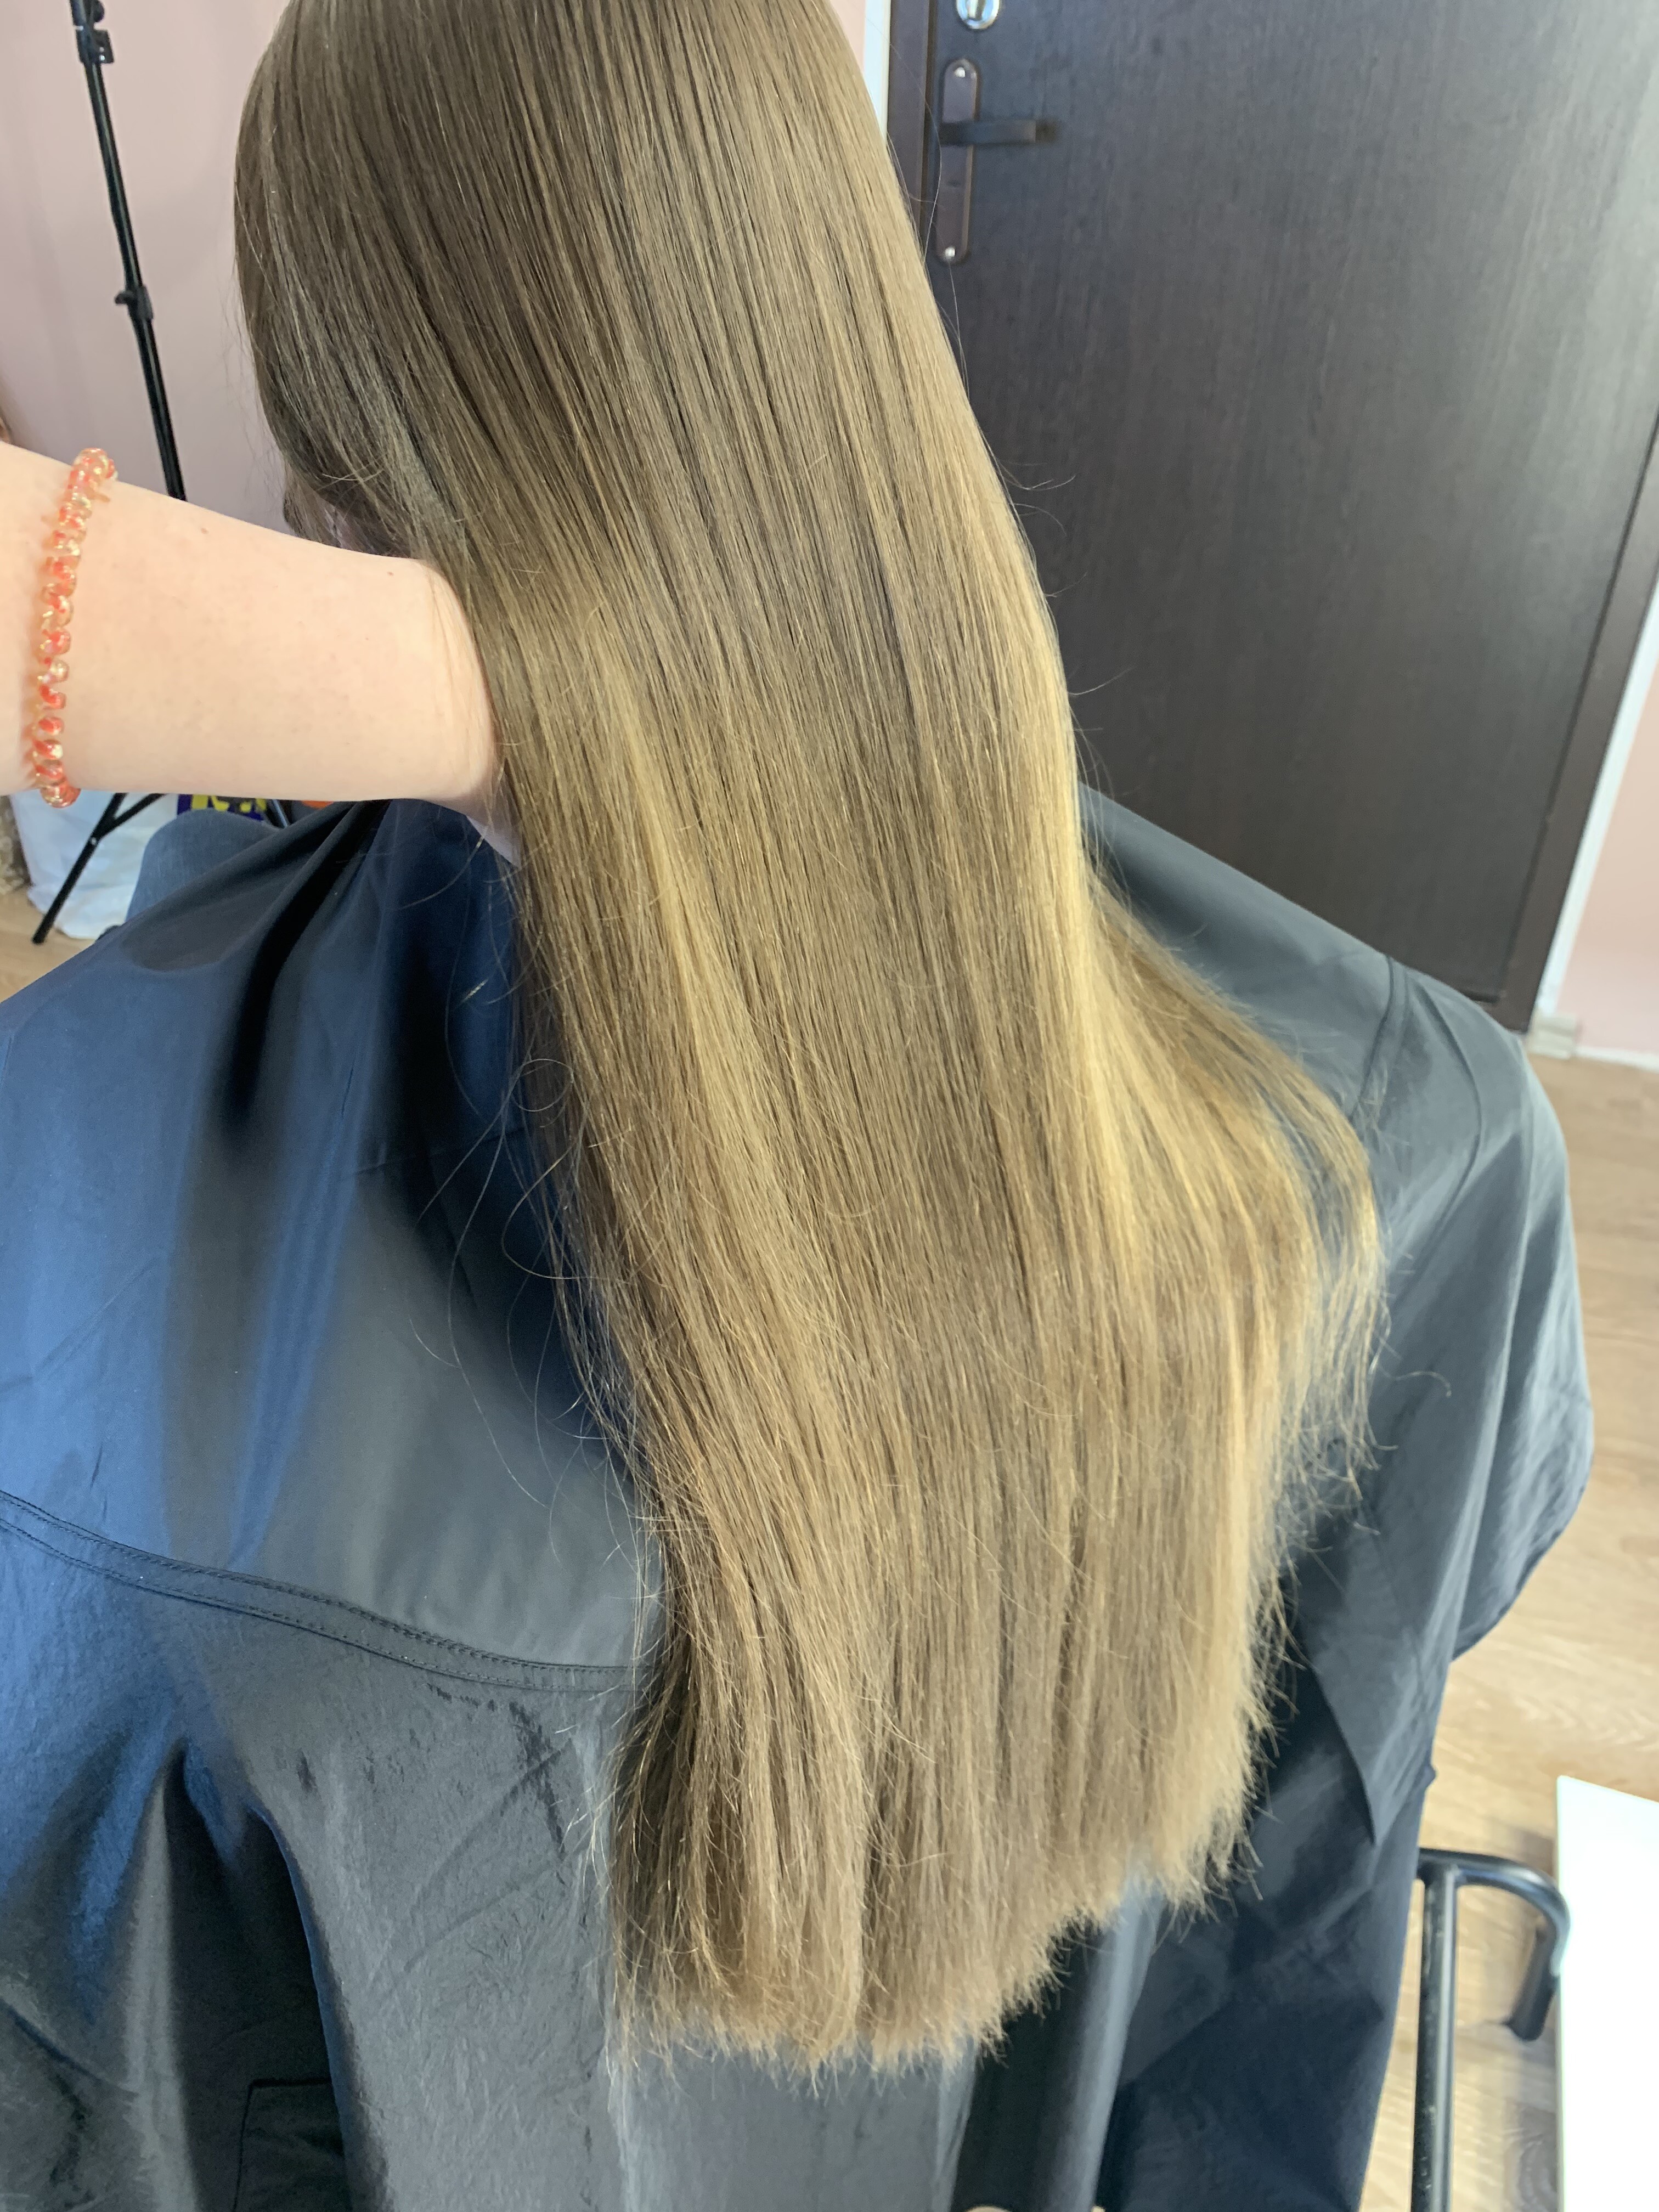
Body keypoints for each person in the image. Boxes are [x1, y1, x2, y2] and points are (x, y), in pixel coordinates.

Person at [0, 2, 1592, 2206]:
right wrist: (656, 652)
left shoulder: (74, 1285)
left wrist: (506, 673)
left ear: (324, 439)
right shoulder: (1434, 1131)